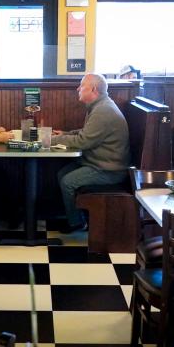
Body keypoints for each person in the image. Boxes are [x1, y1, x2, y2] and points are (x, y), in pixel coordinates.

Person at [52, 74, 130, 233]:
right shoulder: (99, 106)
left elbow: (83, 141)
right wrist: (66, 133)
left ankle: (77, 223)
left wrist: (52, 140)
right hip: (98, 163)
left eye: (82, 85)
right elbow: (88, 133)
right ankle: (77, 217)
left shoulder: (103, 110)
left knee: (68, 181)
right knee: (62, 173)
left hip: (109, 170)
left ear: (93, 89)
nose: (78, 89)